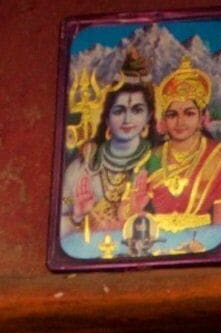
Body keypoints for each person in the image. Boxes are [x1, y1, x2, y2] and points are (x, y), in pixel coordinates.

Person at [133, 61, 221, 253]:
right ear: (164, 120)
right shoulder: (149, 159)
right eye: (172, 114)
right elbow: (127, 216)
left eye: (189, 113)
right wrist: (136, 207)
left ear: (202, 117)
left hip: (203, 243)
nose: (180, 122)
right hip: (155, 246)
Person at [59, 77, 156, 258]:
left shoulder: (158, 161)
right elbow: (58, 229)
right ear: (107, 118)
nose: (127, 119)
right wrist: (77, 217)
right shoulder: (84, 164)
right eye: (119, 111)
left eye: (137, 110)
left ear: (149, 116)